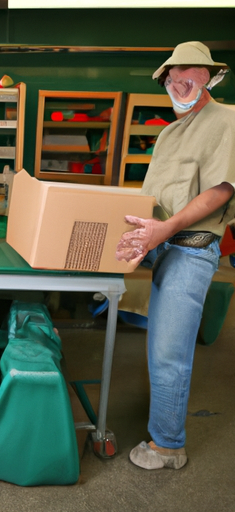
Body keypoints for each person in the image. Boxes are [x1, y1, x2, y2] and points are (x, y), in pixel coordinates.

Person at [116, 41, 235, 470]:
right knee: (154, 343)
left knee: (169, 351)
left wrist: (165, 229)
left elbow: (220, 191)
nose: (175, 81)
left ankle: (168, 447)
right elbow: (157, 197)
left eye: (186, 72)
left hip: (190, 249)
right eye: (169, 75)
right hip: (160, 244)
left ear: (209, 75)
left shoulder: (226, 119)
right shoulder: (168, 132)